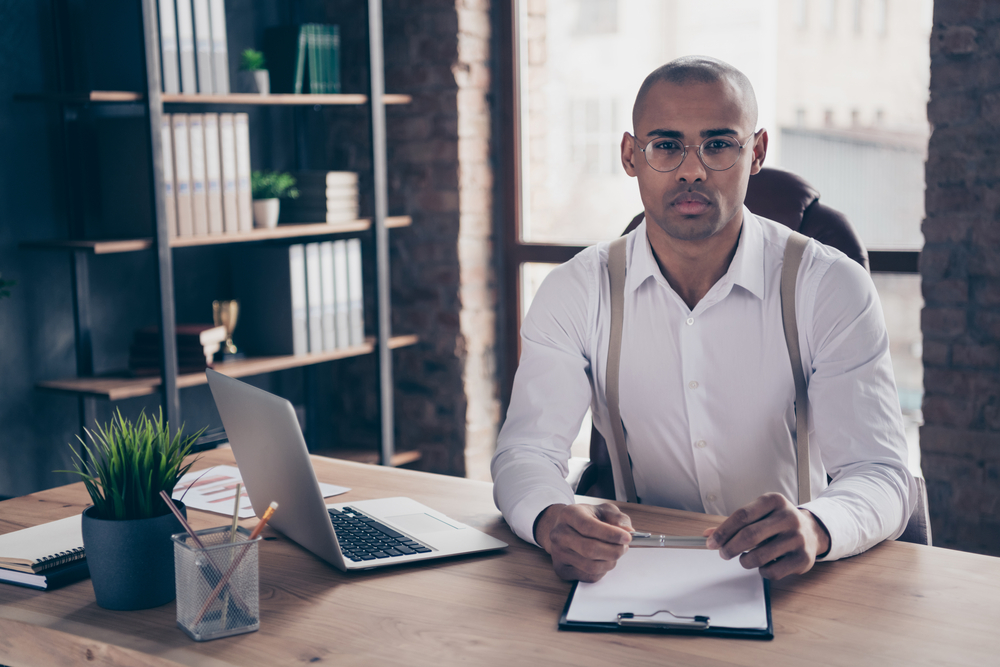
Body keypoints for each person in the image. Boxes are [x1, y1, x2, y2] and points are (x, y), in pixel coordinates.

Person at [491, 56, 916, 583]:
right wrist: (549, 517)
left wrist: (818, 526)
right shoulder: (576, 290)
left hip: (794, 583)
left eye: (718, 145)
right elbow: (526, 452)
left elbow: (882, 474)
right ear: (631, 155)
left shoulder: (830, 286)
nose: (692, 170)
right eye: (666, 146)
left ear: (755, 152)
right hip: (632, 575)